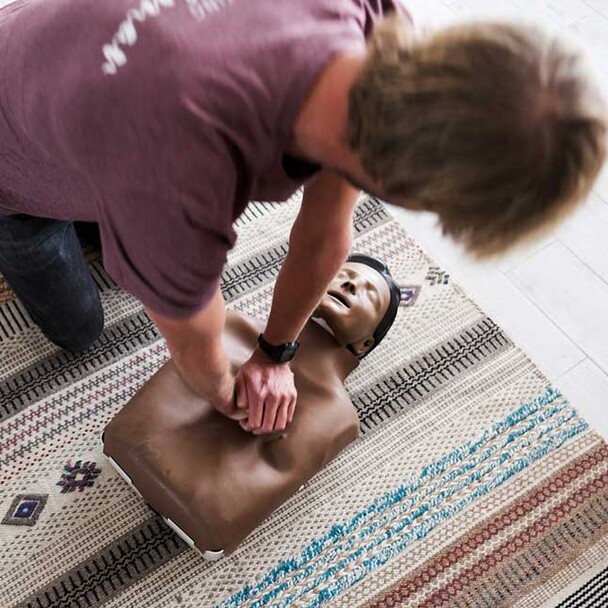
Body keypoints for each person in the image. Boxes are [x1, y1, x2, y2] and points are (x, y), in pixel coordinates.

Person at [0, 1, 605, 435]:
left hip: (64, 72)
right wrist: (230, 393)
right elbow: (194, 343)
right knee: (80, 328)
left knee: (129, 234)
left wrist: (276, 353)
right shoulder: (181, 169)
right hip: (19, 177)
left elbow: (323, 232)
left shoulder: (374, 28)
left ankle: (108, 217)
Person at [102, 255, 401, 556]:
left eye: (368, 293)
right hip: (143, 439)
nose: (349, 283)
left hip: (209, 505)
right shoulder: (232, 322)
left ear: (365, 344)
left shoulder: (338, 415)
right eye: (342, 274)